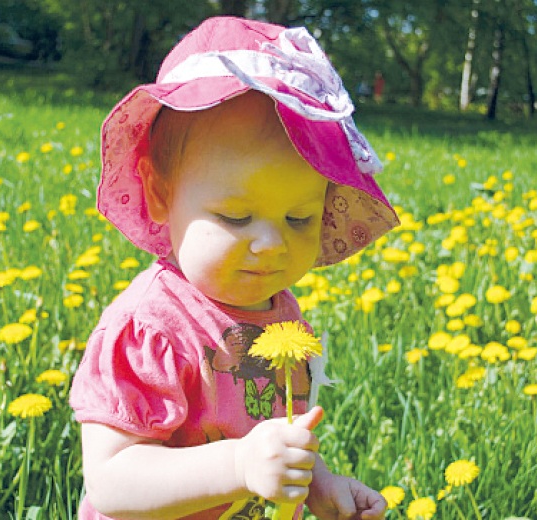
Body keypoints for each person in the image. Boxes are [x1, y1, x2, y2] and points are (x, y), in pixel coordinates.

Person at [69, 16, 399, 520]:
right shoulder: (150, 330)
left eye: (299, 218)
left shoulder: (280, 313)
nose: (270, 244)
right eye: (236, 217)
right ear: (160, 194)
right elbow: (112, 480)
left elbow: (268, 429)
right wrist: (240, 464)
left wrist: (317, 482)